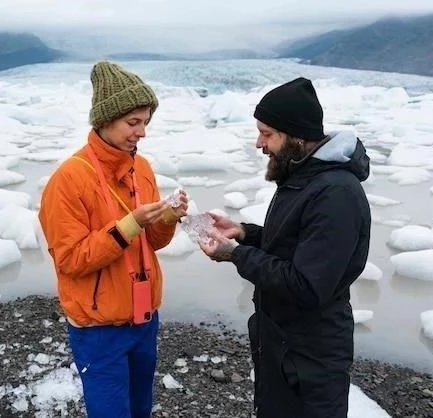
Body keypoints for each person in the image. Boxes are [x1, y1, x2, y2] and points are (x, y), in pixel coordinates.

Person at [199, 77, 371, 417]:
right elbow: (294, 244)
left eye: (267, 133)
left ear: (296, 135)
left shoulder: (335, 194)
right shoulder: (305, 176)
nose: (259, 143)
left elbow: (306, 285)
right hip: (285, 345)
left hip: (311, 359)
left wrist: (235, 255)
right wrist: (244, 233)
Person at [38, 61, 187, 418]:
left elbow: (153, 243)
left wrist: (166, 219)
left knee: (140, 409)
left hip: (144, 318)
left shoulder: (143, 168)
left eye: (146, 122)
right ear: (105, 119)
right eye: (133, 123)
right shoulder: (70, 179)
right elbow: (70, 260)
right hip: (98, 327)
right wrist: (126, 227)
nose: (142, 133)